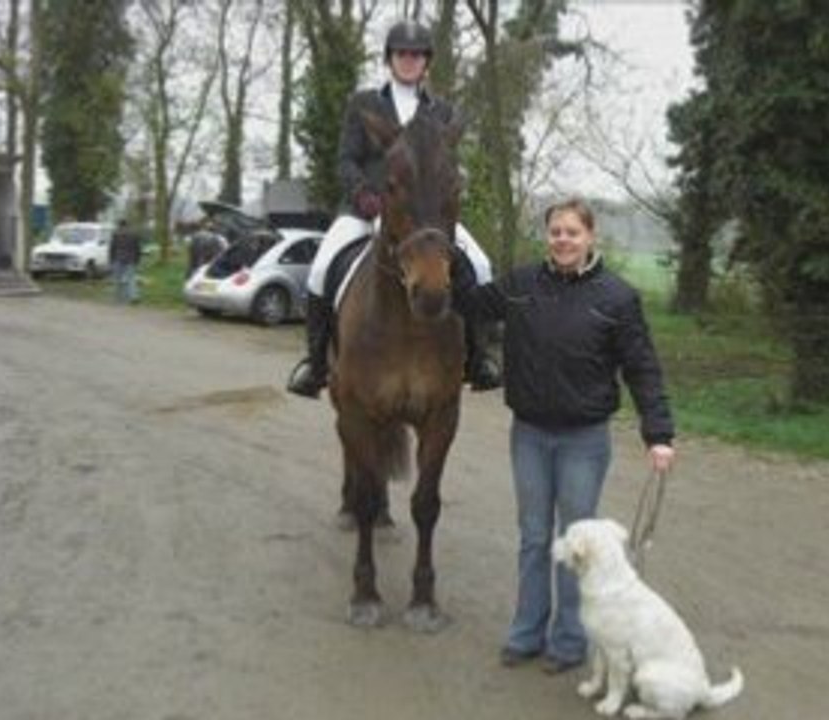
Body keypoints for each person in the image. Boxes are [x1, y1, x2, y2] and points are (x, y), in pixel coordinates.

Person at [454, 198, 676, 675]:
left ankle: (569, 642)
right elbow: (468, 303)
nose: (563, 240)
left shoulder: (618, 298)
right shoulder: (520, 285)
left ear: (590, 237)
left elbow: (642, 367)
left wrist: (658, 433)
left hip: (584, 441)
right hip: (529, 435)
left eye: (572, 232)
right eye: (556, 231)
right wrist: (444, 245)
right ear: (547, 237)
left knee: (576, 546)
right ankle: (526, 633)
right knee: (533, 538)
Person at [286, 19, 501, 398]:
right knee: (321, 267)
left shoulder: (442, 111)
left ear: (426, 62)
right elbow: (347, 160)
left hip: (428, 218)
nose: (409, 60)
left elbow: (446, 166)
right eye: (401, 53)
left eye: (416, 54)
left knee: (480, 266)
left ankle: (478, 359)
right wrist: (363, 194)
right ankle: (316, 364)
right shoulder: (364, 103)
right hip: (367, 209)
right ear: (390, 59)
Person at [109, 219, 142, 304]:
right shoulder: (134, 235)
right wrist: (137, 260)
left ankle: (118, 298)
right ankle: (133, 297)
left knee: (117, 279)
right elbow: (138, 248)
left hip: (118, 259)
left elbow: (112, 248)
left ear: (119, 225)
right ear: (127, 225)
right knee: (131, 279)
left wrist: (111, 260)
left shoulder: (116, 234)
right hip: (131, 259)